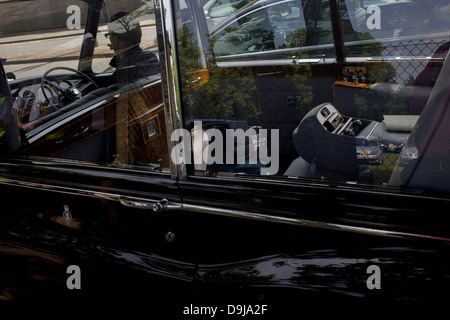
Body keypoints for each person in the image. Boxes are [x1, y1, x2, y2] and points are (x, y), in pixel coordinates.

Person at [105, 12, 160, 86]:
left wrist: (118, 52)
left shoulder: (122, 72)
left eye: (109, 35)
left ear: (115, 39)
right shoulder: (151, 57)